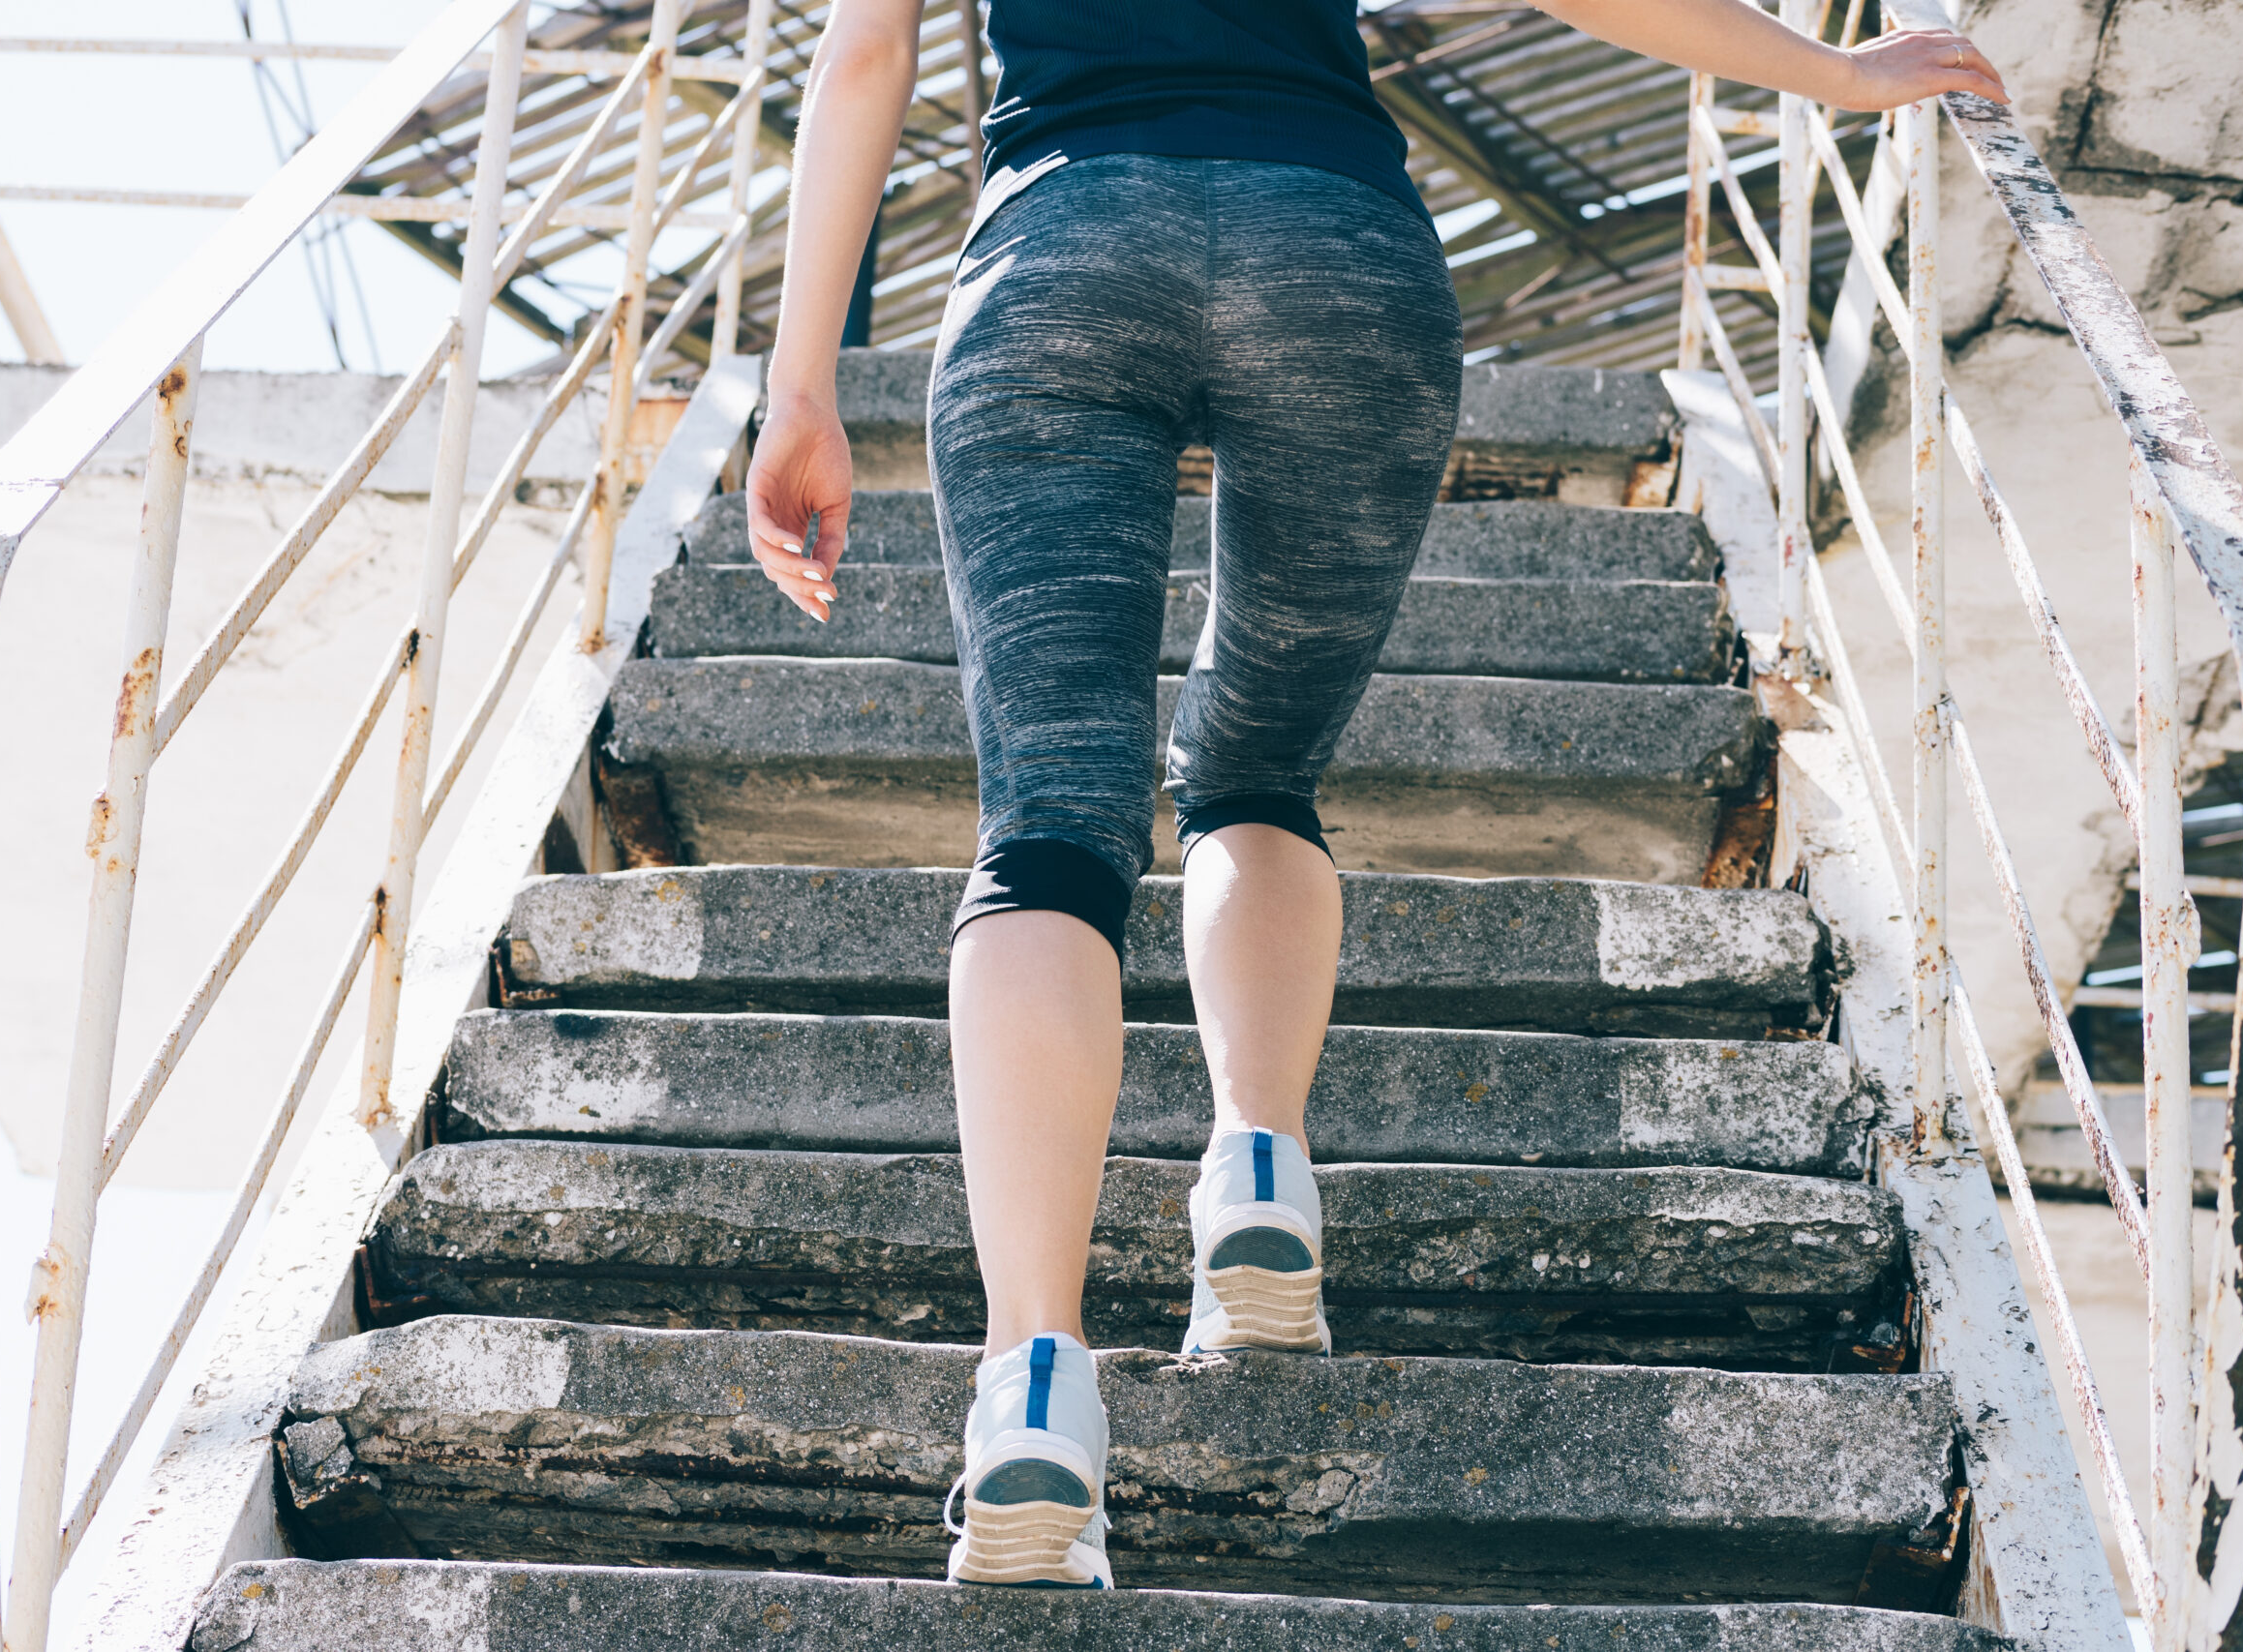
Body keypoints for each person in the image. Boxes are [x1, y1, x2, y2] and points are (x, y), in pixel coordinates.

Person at [743, 0, 2007, 1592]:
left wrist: (802, 392)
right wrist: (1834, 72)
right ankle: (1259, 1166)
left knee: (1049, 835)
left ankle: (1033, 1384)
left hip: (1060, 248)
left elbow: (866, 54)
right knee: (1258, 768)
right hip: (1335, 247)